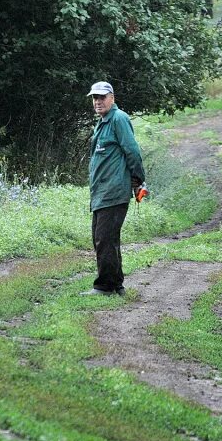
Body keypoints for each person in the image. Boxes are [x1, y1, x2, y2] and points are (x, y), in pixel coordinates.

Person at [82, 81, 146, 296]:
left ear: (112, 98)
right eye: (94, 98)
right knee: (105, 238)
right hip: (101, 192)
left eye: (102, 97)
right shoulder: (102, 121)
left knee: (104, 239)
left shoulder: (119, 119)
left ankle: (105, 287)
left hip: (114, 190)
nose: (98, 101)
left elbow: (132, 151)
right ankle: (116, 286)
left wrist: (138, 180)